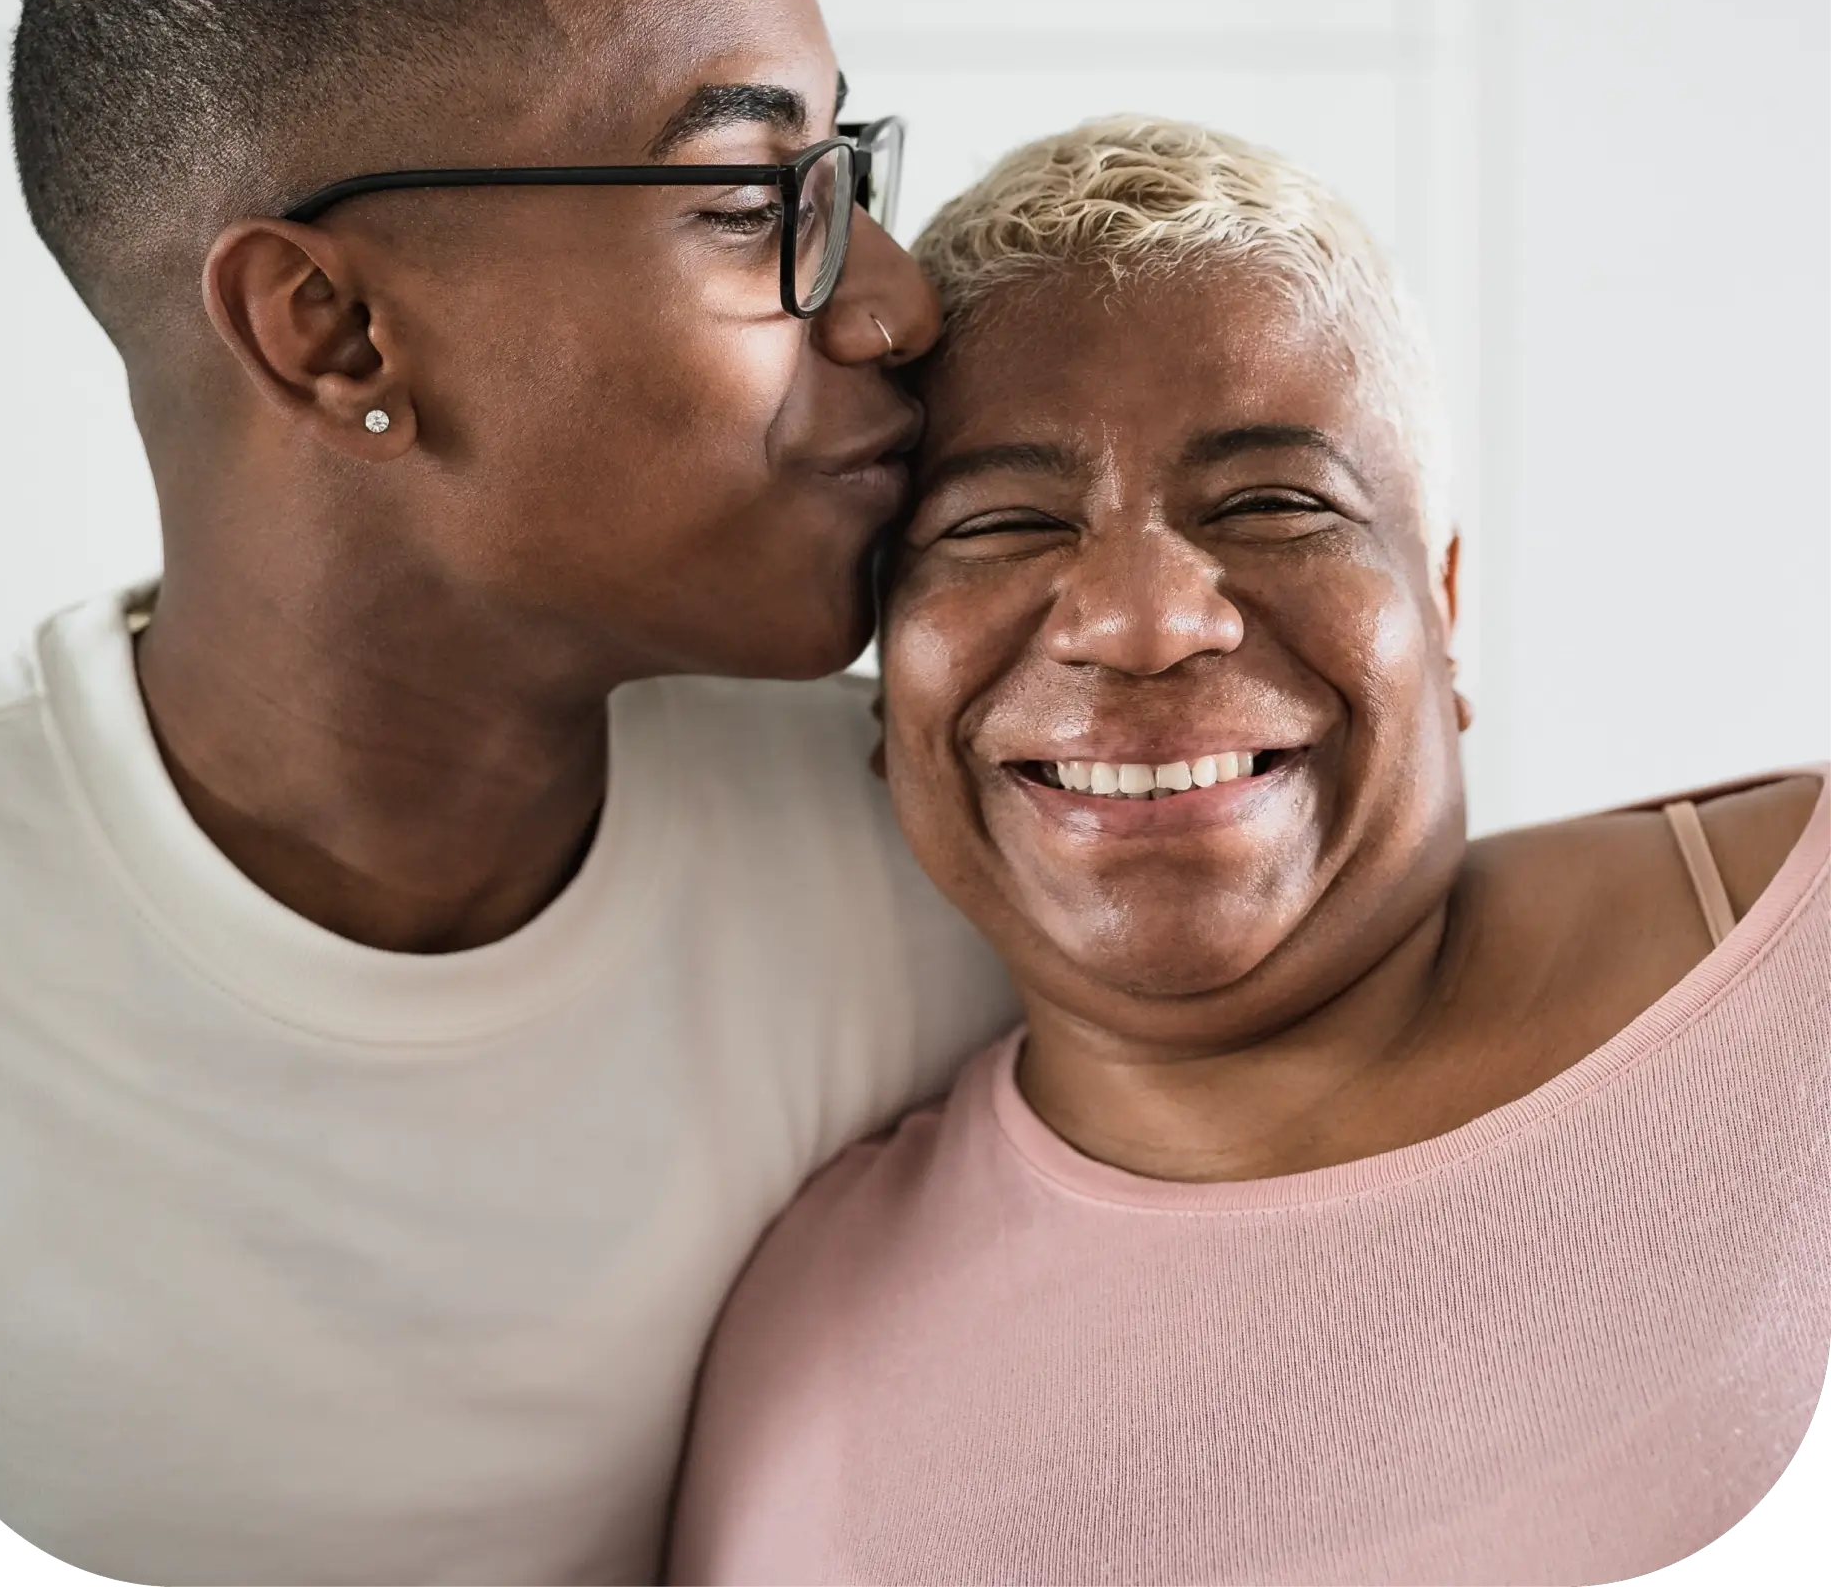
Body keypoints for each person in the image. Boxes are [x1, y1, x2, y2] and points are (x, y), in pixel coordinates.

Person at [0, 0, 1017, 1586]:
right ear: (332, 330)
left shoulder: (950, 846)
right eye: (754, 200)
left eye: (846, 170)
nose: (898, 302)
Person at [667, 118, 1831, 1587]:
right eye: (1003, 522)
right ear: (889, 693)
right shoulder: (801, 1357)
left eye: (1276, 504)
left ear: (1445, 607)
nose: (1144, 622)